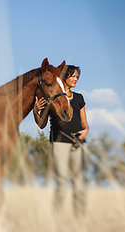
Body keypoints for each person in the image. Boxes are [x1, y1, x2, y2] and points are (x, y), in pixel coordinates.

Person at [33, 65, 89, 216]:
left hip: (78, 144)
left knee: (79, 183)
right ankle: (57, 216)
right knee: (62, 182)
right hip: (59, 143)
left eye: (77, 77)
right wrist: (36, 111)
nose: (75, 79)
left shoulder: (79, 98)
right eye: (73, 76)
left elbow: (85, 125)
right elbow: (42, 124)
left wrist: (83, 134)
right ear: (64, 77)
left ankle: (80, 217)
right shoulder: (53, 98)